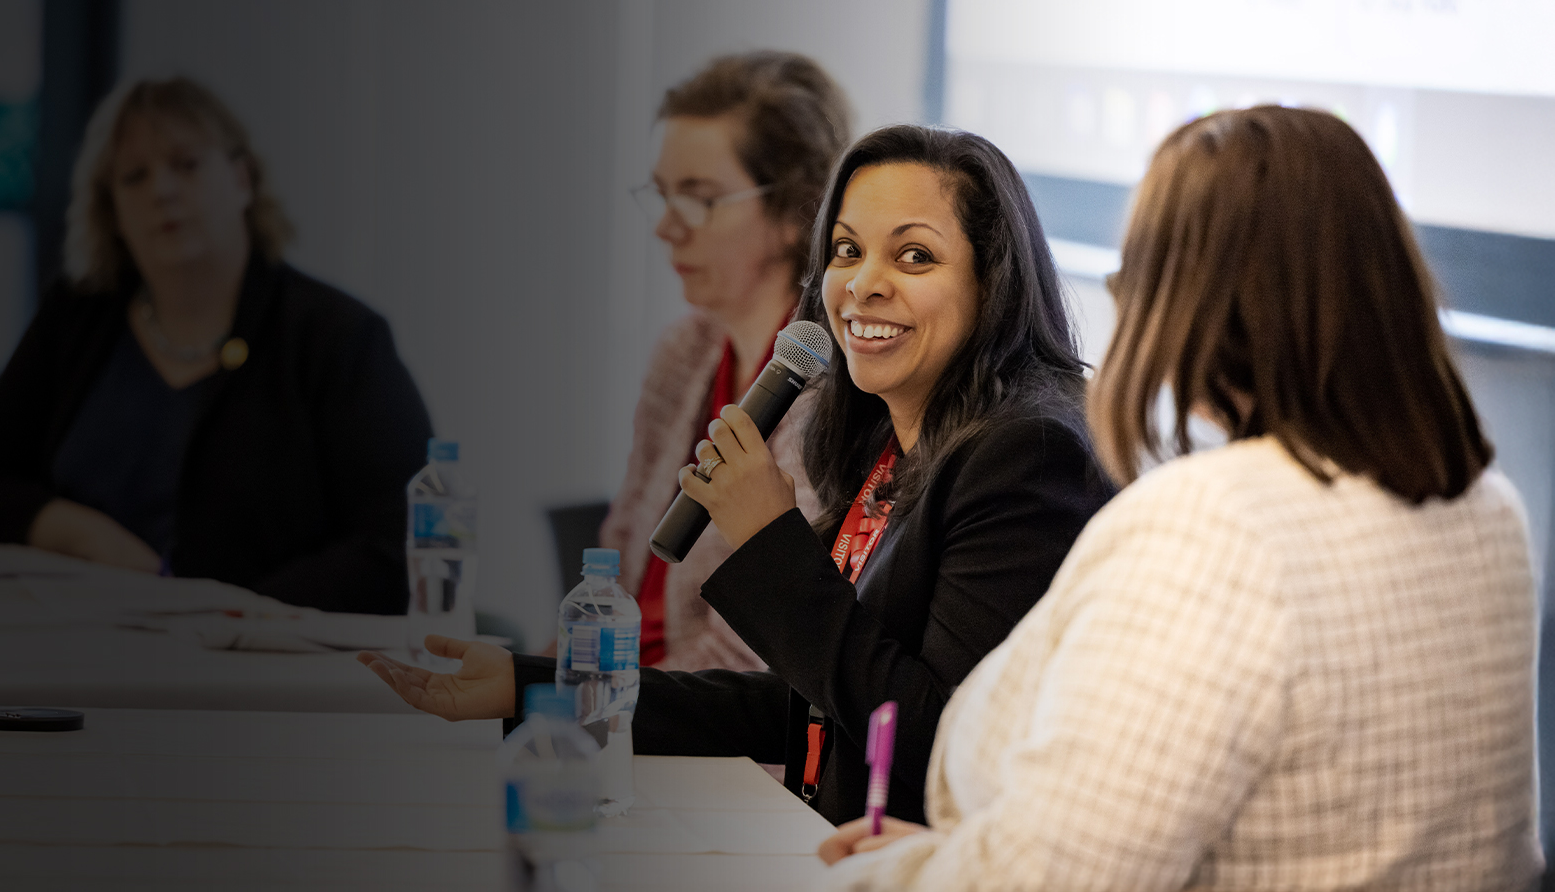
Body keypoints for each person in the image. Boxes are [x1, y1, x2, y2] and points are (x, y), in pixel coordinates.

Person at [817, 107, 1541, 890]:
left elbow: (1062, 876)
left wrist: (890, 874)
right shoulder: (1488, 510)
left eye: (1139, 270)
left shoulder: (1211, 526)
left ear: (1186, 297)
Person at [362, 125, 1114, 826]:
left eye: (914, 256)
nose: (864, 285)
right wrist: (532, 688)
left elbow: (935, 738)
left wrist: (767, 539)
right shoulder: (895, 446)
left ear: (995, 283)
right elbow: (812, 702)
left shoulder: (1030, 457)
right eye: (848, 251)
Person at [0, 76, 433, 614]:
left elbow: (398, 545)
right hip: (73, 643)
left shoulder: (337, 336)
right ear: (114, 213)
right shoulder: (76, 318)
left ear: (243, 179)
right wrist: (80, 533)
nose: (162, 191)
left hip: (267, 668)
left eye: (187, 165)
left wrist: (230, 618)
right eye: (134, 176)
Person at [606, 52, 851, 672]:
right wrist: (539, 680)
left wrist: (593, 705)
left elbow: (747, 656)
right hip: (619, 693)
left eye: (701, 199)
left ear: (798, 212)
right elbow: (614, 561)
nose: (666, 227)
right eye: (663, 196)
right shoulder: (684, 352)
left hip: (707, 734)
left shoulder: (833, 390)